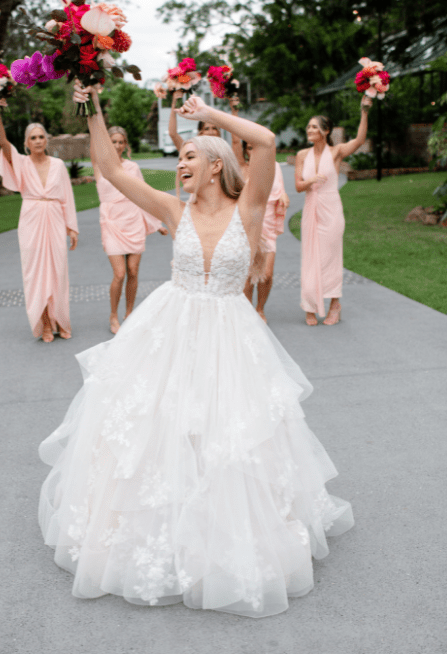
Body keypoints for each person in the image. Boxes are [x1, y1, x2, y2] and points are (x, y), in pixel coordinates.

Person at [38, 85, 353, 617]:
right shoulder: (171, 209)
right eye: (180, 157)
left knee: (227, 434)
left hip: (230, 337)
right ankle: (161, 531)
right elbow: (111, 170)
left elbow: (267, 140)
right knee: (158, 430)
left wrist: (206, 114)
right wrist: (91, 107)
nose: (180, 164)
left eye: (189, 157)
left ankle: (223, 533)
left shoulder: (248, 208)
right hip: (171, 328)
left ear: (215, 166)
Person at [0, 99, 78, 342]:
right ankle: (44, 324)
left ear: (47, 140)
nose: (38, 141)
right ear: (26, 143)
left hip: (54, 219)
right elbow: (2, 141)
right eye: (33, 138)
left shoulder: (59, 165)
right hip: (31, 220)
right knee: (35, 273)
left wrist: (72, 228)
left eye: (41, 137)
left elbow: (67, 198)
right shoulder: (21, 163)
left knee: (58, 272)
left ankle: (61, 319)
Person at [295, 97, 372, 325]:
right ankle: (309, 306)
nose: (310, 130)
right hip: (311, 208)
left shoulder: (336, 152)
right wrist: (311, 181)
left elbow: (359, 140)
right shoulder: (301, 155)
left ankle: (334, 305)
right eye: (308, 126)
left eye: (314, 127)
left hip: (331, 210)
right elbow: (299, 186)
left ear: (325, 131)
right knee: (310, 258)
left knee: (330, 257)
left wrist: (364, 111)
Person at [91, 126, 167, 334]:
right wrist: (90, 114)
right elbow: (94, 144)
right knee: (120, 273)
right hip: (112, 222)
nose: (117, 146)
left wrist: (157, 223)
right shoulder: (100, 166)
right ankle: (113, 315)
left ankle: (130, 313)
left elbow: (144, 195)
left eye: (120, 142)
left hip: (132, 219)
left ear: (125, 145)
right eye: (113, 142)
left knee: (133, 271)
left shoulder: (133, 167)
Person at [231, 107, 291, 321]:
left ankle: (260, 308)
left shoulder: (273, 166)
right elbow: (235, 142)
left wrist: (283, 194)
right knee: (247, 276)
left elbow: (280, 187)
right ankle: (248, 312)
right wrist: (234, 111)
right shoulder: (242, 168)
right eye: (248, 147)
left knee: (266, 274)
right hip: (246, 226)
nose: (251, 151)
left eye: (254, 147)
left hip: (267, 223)